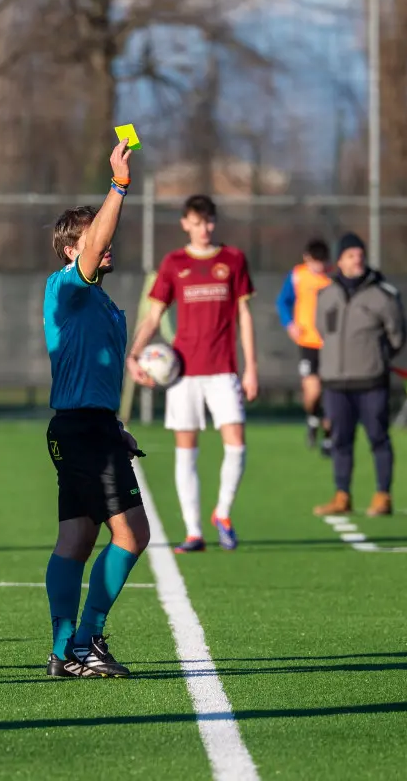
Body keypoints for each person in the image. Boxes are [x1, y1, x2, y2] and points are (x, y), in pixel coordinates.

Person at [42, 138, 149, 678]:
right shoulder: (70, 287)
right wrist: (118, 185)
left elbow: (93, 373)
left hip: (89, 425)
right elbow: (97, 238)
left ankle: (64, 652)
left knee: (78, 538)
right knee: (132, 535)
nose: (107, 244)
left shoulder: (101, 300)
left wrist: (118, 426)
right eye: (92, 239)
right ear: (71, 250)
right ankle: (83, 645)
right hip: (81, 429)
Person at [127, 195, 258, 553]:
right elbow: (153, 315)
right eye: (198, 222)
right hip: (182, 373)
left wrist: (251, 369)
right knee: (187, 451)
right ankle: (193, 532)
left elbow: (245, 316)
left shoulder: (233, 260)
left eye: (210, 222)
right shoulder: (174, 263)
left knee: (237, 443)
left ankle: (223, 513)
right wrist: (134, 355)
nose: (205, 229)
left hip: (224, 370)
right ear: (185, 223)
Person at [312, 233, 406, 517]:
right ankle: (342, 495)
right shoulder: (326, 295)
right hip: (335, 382)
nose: (357, 260)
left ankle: (383, 495)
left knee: (378, 437)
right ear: (339, 261)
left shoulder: (383, 295)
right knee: (340, 440)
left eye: (360, 254)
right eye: (351, 255)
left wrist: (376, 358)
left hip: (371, 381)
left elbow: (397, 337)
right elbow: (321, 331)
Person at [276, 238, 333, 453]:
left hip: (331, 344)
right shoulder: (298, 275)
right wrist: (290, 325)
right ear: (306, 258)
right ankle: (312, 419)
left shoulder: (333, 278)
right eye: (314, 262)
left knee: (331, 392)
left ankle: (328, 438)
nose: (318, 267)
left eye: (322, 262)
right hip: (308, 342)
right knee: (312, 391)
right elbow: (283, 301)